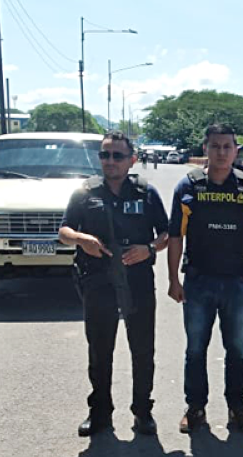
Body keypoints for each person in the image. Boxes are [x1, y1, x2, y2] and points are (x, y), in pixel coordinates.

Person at [59, 131, 169, 437]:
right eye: (105, 155)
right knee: (100, 349)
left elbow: (166, 234)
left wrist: (149, 249)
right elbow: (64, 231)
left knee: (142, 348)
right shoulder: (85, 192)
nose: (110, 161)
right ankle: (100, 412)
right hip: (98, 278)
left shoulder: (146, 193)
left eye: (117, 155)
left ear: (132, 160)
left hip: (137, 279)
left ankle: (142, 411)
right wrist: (81, 239)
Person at [167, 124, 243, 434]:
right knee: (196, 349)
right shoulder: (188, 186)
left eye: (227, 146)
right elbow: (175, 236)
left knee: (238, 349)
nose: (221, 152)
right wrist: (173, 280)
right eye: (215, 146)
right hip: (198, 281)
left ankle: (237, 407)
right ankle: (195, 408)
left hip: (237, 281)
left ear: (235, 150)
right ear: (205, 149)